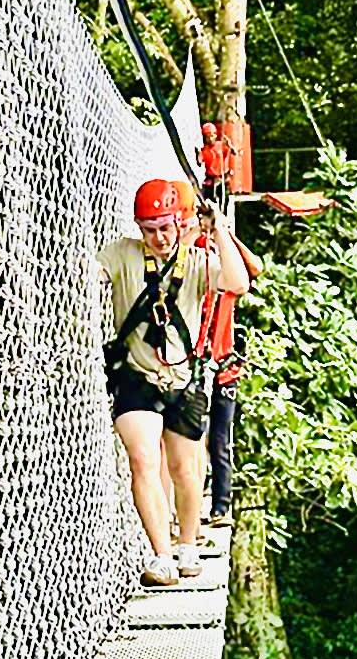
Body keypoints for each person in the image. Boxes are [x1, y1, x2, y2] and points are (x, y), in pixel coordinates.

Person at [98, 179, 251, 586]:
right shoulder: (123, 254)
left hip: (183, 379)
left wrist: (218, 230)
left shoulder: (197, 261)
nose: (159, 238)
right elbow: (88, 272)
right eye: (149, 229)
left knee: (185, 468)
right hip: (136, 375)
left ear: (179, 224)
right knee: (143, 458)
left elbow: (238, 283)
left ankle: (186, 545)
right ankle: (161, 555)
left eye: (165, 228)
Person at [194, 209, 265, 529]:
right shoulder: (195, 262)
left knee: (220, 440)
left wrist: (223, 231)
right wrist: (201, 230)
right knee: (192, 438)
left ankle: (221, 506)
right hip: (193, 365)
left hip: (223, 366)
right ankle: (196, 499)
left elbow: (255, 268)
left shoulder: (229, 271)